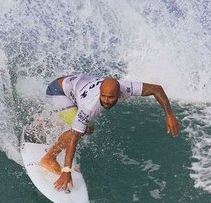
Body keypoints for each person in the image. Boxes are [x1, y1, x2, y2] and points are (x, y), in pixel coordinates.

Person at [39, 74, 180, 191]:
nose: (106, 101)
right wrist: (66, 171)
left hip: (73, 84)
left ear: (119, 94)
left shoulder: (126, 87)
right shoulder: (89, 106)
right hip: (57, 91)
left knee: (88, 127)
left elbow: (156, 89)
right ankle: (49, 158)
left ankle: (49, 122)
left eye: (111, 97)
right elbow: (75, 137)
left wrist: (169, 114)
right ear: (100, 92)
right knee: (83, 130)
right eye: (104, 96)